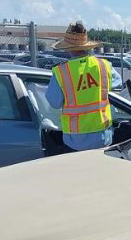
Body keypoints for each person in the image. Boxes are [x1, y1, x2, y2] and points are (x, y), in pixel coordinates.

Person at [45, 22, 114, 150]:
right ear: (87, 46)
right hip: (103, 137)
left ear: (67, 48)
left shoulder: (61, 72)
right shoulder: (104, 66)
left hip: (75, 140)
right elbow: (114, 84)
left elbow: (54, 103)